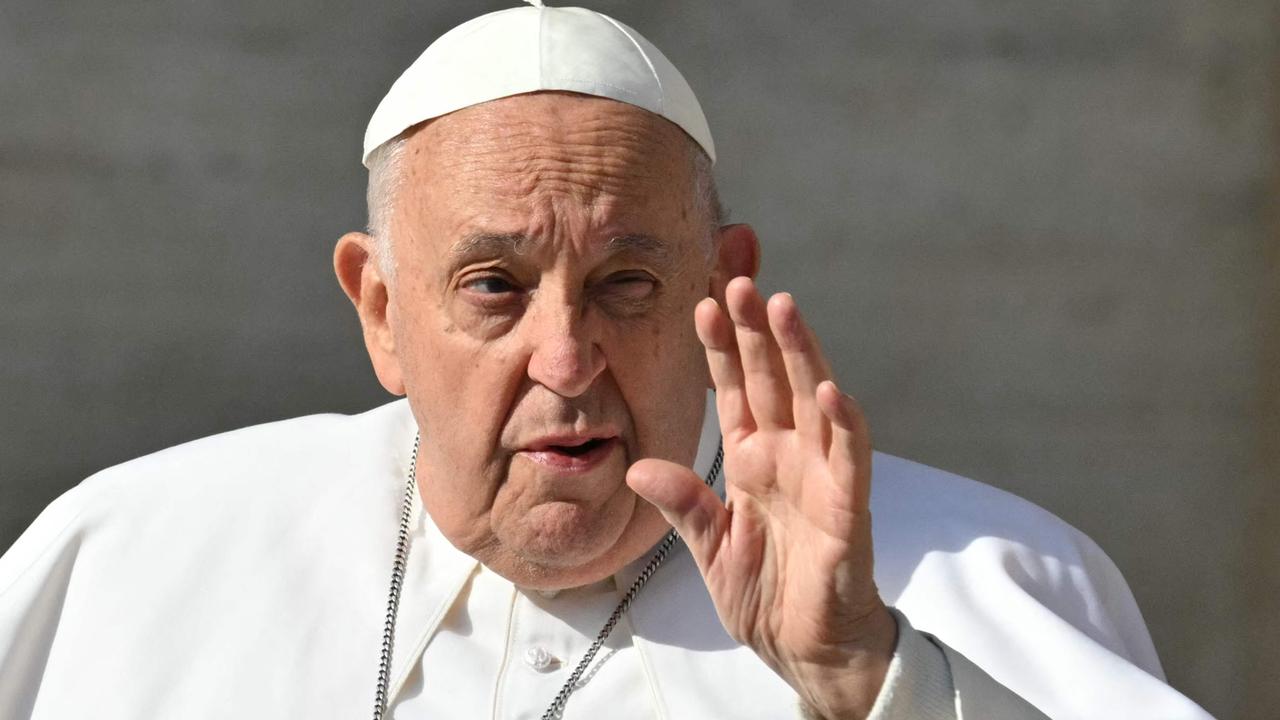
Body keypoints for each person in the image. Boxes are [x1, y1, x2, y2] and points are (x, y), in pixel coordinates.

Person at [0, 4, 1213, 719]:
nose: (566, 357)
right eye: (494, 287)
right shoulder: (126, 557)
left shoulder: (986, 580)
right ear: (379, 309)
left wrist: (868, 680)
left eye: (626, 283)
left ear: (716, 282)